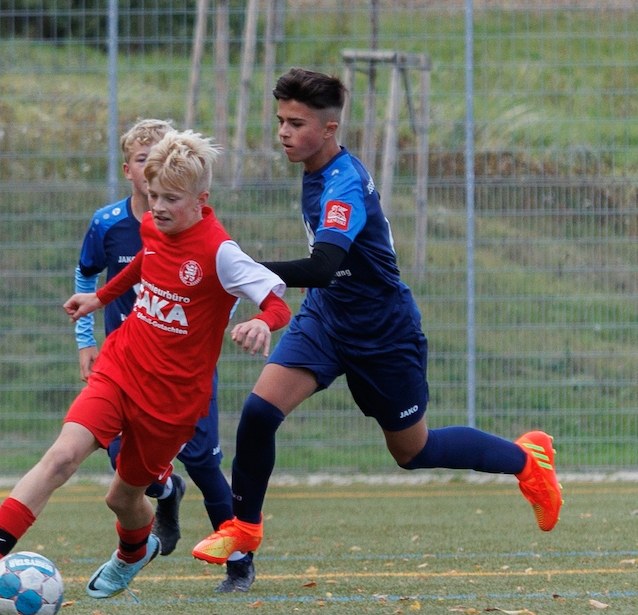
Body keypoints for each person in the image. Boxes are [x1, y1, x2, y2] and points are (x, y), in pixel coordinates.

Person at [191, 67, 563, 568]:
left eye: (296, 124)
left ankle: (527, 460)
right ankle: (244, 528)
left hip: (382, 330)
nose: (283, 133)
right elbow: (327, 279)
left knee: (413, 451)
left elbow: (324, 266)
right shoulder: (315, 170)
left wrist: (239, 268)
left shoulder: (343, 184)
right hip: (326, 317)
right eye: (280, 121)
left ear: (329, 129)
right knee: (259, 414)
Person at [0, 131, 289, 600]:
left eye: (171, 199)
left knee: (122, 498)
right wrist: (100, 297)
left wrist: (262, 322)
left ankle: (133, 552)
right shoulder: (153, 226)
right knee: (61, 457)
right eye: (154, 195)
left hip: (171, 401)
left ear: (201, 199)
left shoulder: (220, 252)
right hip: (121, 366)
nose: (159, 208)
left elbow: (277, 302)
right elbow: (143, 264)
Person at [75, 119, 253, 591]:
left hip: (182, 375)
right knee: (124, 467)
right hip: (127, 368)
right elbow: (88, 275)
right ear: (130, 170)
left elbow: (229, 283)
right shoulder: (110, 224)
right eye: (142, 160)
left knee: (204, 462)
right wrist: (86, 340)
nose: (152, 171)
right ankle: (167, 492)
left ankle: (238, 561)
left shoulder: (193, 229)